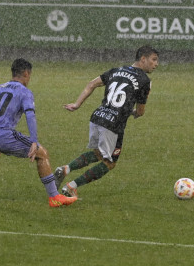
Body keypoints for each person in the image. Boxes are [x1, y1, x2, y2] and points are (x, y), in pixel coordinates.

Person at [54, 46, 159, 198]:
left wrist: (77, 104)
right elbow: (141, 111)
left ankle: (65, 169)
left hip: (97, 117)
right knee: (109, 163)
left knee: (98, 153)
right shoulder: (144, 81)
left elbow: (91, 84)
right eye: (154, 60)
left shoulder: (115, 70)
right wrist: (134, 113)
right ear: (143, 59)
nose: (156, 64)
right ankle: (71, 187)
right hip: (113, 124)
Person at [0, 59, 77, 208]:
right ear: (26, 73)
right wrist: (34, 141)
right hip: (2, 135)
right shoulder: (24, 92)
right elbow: (30, 116)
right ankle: (54, 197)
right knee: (42, 153)